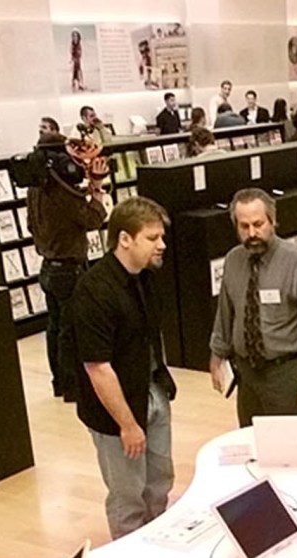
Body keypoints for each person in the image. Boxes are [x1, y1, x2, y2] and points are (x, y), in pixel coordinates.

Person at [67, 198, 177, 538]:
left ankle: (155, 541)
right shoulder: (94, 290)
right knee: (128, 494)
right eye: (152, 237)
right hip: (117, 413)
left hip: (152, 393)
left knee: (159, 482)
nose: (162, 245)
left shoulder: (145, 277)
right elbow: (98, 367)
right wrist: (127, 425)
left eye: (161, 236)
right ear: (125, 239)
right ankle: (131, 557)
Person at [209, 189, 297, 426]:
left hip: (287, 375)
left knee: (291, 451)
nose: (252, 233)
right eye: (244, 226)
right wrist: (217, 356)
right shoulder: (233, 261)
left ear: (273, 221)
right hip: (247, 376)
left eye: (258, 224)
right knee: (252, 447)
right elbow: (225, 313)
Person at [28, 134, 109, 399]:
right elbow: (94, 219)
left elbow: (30, 225)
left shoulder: (35, 188)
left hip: (47, 267)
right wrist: (96, 188)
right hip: (68, 269)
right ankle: (73, 387)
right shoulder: (62, 191)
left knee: (54, 328)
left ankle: (59, 382)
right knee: (70, 331)